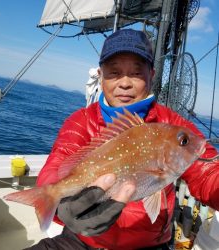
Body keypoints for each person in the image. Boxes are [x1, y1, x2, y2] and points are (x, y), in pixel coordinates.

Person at [28, 29, 219, 250]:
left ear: (152, 74)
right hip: (83, 239)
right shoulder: (80, 121)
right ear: (101, 75)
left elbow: (208, 172)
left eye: (136, 73)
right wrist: (61, 203)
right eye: (114, 73)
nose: (125, 83)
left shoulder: (173, 127)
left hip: (147, 245)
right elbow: (58, 164)